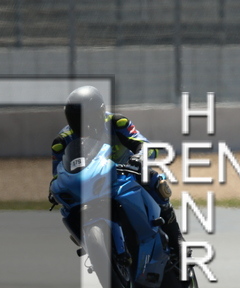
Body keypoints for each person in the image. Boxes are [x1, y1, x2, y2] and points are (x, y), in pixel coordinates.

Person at [48, 85, 185, 260]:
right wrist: (54, 187)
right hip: (90, 182)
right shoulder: (62, 140)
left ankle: (176, 237)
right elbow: (58, 173)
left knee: (153, 180)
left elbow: (144, 145)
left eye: (87, 116)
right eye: (76, 118)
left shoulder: (117, 122)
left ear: (100, 111)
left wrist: (139, 157)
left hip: (124, 172)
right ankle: (90, 241)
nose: (83, 123)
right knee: (67, 207)